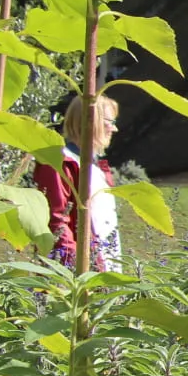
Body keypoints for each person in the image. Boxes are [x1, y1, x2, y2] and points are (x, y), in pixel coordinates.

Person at [35, 93, 122, 271]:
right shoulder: (60, 163)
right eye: (109, 122)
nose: (114, 129)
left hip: (101, 271)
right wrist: (77, 266)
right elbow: (56, 220)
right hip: (75, 275)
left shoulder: (95, 167)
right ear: (91, 120)